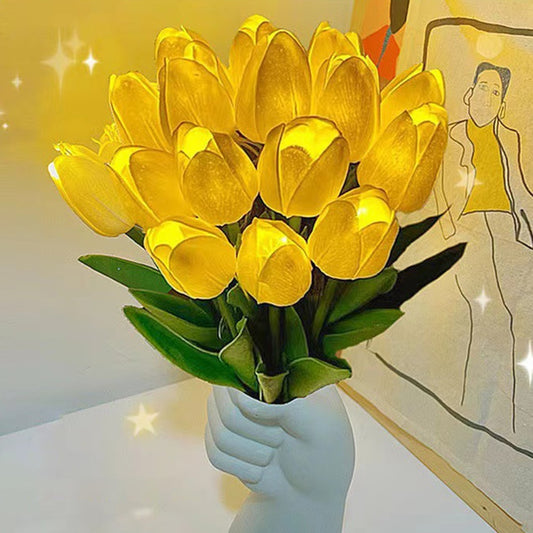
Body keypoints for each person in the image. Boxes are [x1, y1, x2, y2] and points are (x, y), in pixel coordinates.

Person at [434, 61, 533, 433]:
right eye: (483, 87)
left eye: (496, 92)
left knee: (516, 320)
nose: (488, 97)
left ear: (503, 104)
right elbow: (441, 183)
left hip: (507, 229)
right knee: (487, 320)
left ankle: (510, 420)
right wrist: (449, 231)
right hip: (471, 229)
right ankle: (469, 413)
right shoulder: (453, 134)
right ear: (469, 93)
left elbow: (519, 189)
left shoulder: (510, 137)